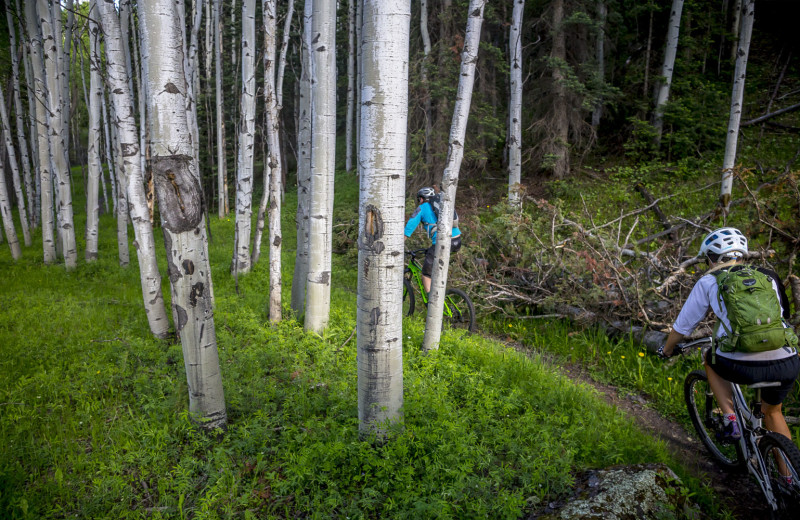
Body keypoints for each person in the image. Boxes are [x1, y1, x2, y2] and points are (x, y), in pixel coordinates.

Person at [659, 227, 800, 442]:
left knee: (709, 358)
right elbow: (784, 316)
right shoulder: (768, 276)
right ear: (742, 255)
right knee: (773, 412)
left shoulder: (709, 280)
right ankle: (789, 476)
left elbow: (682, 327)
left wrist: (667, 350)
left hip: (742, 366)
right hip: (786, 360)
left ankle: (730, 419)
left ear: (711, 259)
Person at [404, 187, 462, 294]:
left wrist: (400, 242)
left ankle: (430, 302)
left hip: (443, 243)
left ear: (421, 199)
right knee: (434, 265)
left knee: (426, 274)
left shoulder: (422, 208)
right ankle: (439, 291)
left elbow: (409, 227)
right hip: (457, 241)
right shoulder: (442, 204)